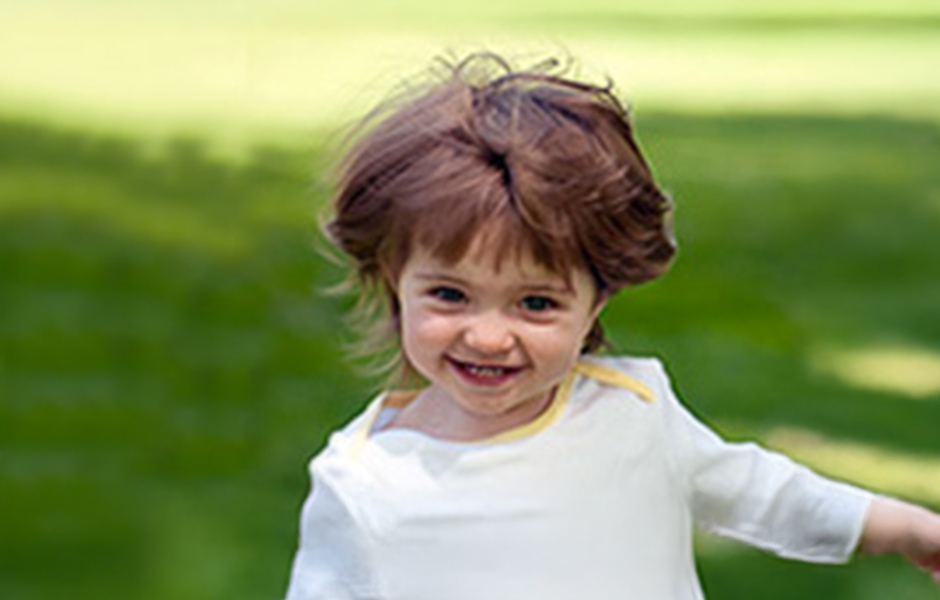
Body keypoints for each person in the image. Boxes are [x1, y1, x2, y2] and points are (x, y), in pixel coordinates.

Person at [284, 53, 940, 600]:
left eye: (535, 304)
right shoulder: (365, 481)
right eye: (451, 295)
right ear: (394, 281)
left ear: (597, 302)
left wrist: (908, 529)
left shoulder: (634, 413)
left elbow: (762, 493)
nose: (487, 336)